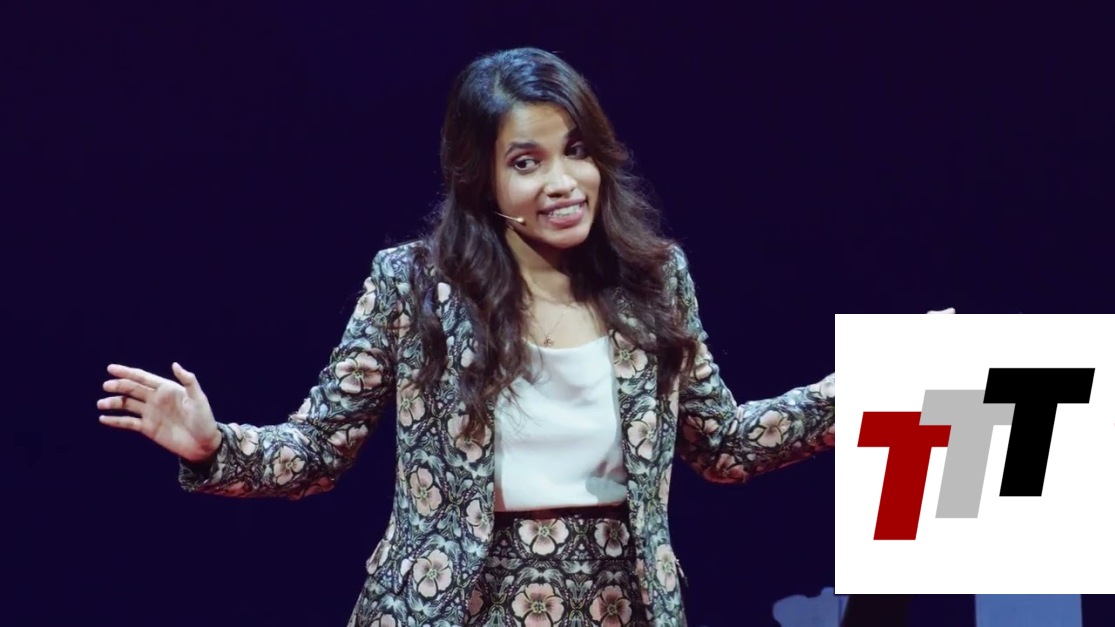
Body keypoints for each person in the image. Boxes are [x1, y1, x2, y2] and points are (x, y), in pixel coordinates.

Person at [98, 47, 936, 626]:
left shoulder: (654, 280)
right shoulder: (413, 286)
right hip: (451, 605)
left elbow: (723, 444)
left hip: (617, 603)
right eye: (526, 161)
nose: (562, 181)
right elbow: (318, 450)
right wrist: (213, 445)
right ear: (481, 179)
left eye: (576, 150)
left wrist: (871, 384)